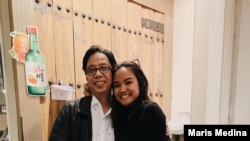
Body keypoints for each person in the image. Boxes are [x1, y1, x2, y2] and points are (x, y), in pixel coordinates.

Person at [49, 45, 117, 141]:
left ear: (113, 72)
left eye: (103, 68)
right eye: (91, 70)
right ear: (87, 77)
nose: (97, 74)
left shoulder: (125, 110)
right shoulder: (70, 111)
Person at [111, 60, 171, 141]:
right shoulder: (120, 114)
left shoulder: (150, 111)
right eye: (117, 85)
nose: (122, 89)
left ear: (140, 83)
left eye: (128, 82)